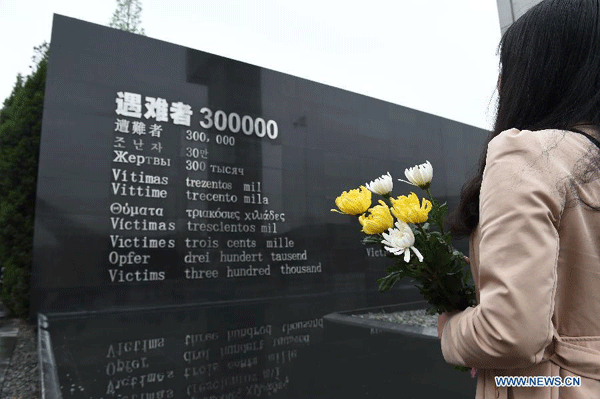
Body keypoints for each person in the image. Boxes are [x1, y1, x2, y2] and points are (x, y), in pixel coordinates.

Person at [436, 0, 600, 398]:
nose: (499, 84)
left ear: (539, 71)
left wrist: (451, 329)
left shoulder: (528, 153)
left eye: (507, 67)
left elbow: (510, 334)